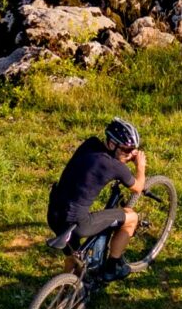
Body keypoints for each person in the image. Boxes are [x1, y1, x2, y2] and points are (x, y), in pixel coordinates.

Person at [47, 117, 151, 277]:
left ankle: (68, 291)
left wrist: (122, 156)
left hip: (54, 213)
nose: (130, 154)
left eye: (132, 150)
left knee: (73, 257)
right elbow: (138, 187)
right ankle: (112, 267)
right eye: (126, 150)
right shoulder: (114, 166)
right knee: (132, 217)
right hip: (78, 223)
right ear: (111, 144)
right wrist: (140, 167)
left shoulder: (90, 144)